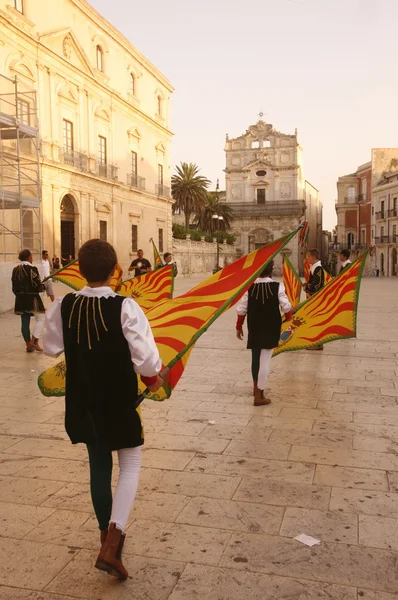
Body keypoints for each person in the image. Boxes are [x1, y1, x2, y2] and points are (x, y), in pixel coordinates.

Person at [43, 239, 163, 580]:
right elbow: (146, 359)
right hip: (118, 398)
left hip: (83, 399)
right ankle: (113, 543)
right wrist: (154, 381)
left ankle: (102, 536)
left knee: (98, 463)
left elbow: (50, 347)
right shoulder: (126, 307)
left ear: (79, 270)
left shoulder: (64, 306)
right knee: (131, 464)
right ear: (116, 271)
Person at [236, 260, 292, 406]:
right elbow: (286, 308)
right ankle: (259, 395)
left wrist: (239, 326)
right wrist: (289, 319)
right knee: (265, 359)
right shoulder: (278, 286)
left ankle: (255, 388)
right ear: (271, 270)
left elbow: (241, 309)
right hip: (271, 326)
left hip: (254, 326)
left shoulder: (250, 287)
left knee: (255, 358)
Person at [11, 249, 46, 352]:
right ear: (29, 257)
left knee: (24, 321)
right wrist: (43, 287)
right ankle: (34, 341)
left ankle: (28, 344)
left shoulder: (15, 269)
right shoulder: (32, 269)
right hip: (32, 298)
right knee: (41, 318)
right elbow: (37, 285)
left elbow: (14, 286)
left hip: (20, 299)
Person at [303, 248, 325, 350]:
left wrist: (306, 287)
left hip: (317, 299)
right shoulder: (314, 268)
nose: (307, 259)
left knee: (316, 321)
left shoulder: (318, 269)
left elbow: (316, 286)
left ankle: (318, 343)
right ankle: (317, 343)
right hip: (314, 299)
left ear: (313, 257)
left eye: (308, 257)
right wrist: (307, 284)